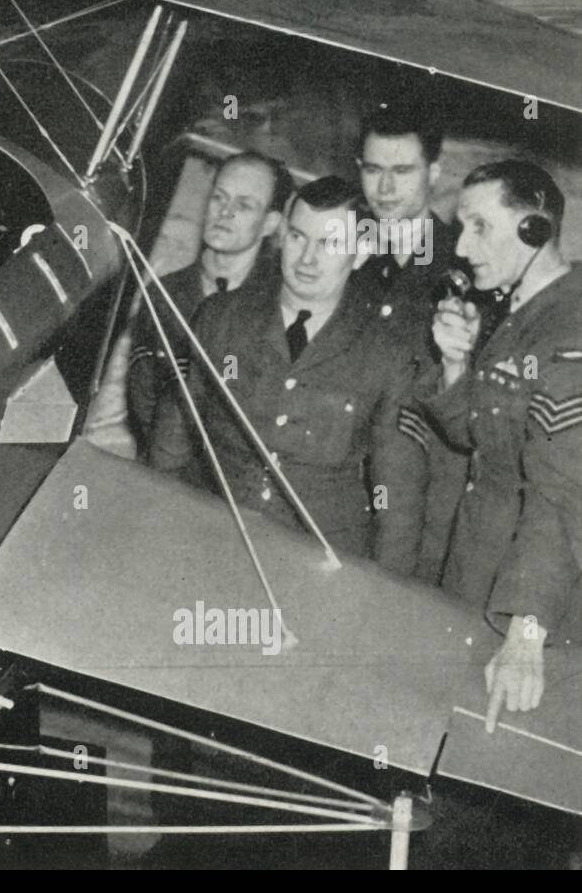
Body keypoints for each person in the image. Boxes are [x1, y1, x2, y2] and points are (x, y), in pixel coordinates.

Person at [150, 176, 426, 574]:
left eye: (330, 244)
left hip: (316, 557)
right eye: (298, 237)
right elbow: (171, 442)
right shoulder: (222, 316)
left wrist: (379, 594)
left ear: (363, 250)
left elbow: (395, 498)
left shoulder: (388, 354)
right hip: (210, 536)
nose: (307, 259)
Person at [420, 160, 580, 722]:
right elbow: (482, 438)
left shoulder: (571, 328)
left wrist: (526, 633)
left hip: (530, 600)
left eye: (480, 226)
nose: (463, 246)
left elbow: (562, 494)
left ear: (534, 229)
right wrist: (457, 362)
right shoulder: (517, 310)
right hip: (476, 572)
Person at [351, 102, 470, 583]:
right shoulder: (334, 247)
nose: (383, 189)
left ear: (434, 173)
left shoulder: (464, 269)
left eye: (402, 171)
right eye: (373, 170)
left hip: (412, 508)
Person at [126, 152, 291, 460]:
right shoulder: (165, 295)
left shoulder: (280, 305)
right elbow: (143, 398)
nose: (224, 212)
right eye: (219, 198)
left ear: (270, 223)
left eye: (243, 205)